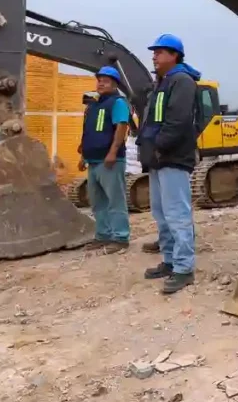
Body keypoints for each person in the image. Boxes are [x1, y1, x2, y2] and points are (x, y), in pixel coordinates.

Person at [136, 34, 202, 294]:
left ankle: (184, 268)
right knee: (161, 213)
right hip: (157, 158)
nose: (154, 56)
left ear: (174, 55)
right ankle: (170, 261)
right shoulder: (162, 83)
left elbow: (177, 121)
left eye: (160, 52)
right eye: (154, 52)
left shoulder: (182, 82)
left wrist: (160, 146)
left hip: (171, 156)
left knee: (177, 213)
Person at [77, 66, 132, 254]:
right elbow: (88, 132)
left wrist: (113, 152)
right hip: (93, 160)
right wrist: (83, 156)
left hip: (110, 161)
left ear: (115, 83)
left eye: (105, 80)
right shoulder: (94, 105)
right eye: (99, 79)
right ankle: (103, 235)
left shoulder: (117, 103)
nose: (100, 83)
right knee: (97, 202)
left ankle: (120, 237)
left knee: (115, 200)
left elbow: (121, 127)